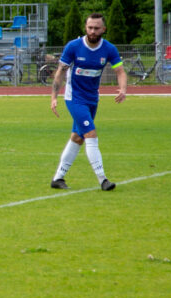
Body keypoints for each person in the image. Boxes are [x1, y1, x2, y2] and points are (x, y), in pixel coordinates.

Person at [49, 13, 127, 191]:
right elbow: (60, 72)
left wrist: (123, 89)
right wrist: (54, 97)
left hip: (92, 98)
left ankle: (58, 178)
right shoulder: (74, 47)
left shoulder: (108, 49)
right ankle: (103, 180)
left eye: (96, 28)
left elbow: (120, 71)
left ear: (103, 29)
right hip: (74, 98)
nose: (92, 31)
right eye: (90, 27)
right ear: (85, 28)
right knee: (90, 134)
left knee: (77, 137)